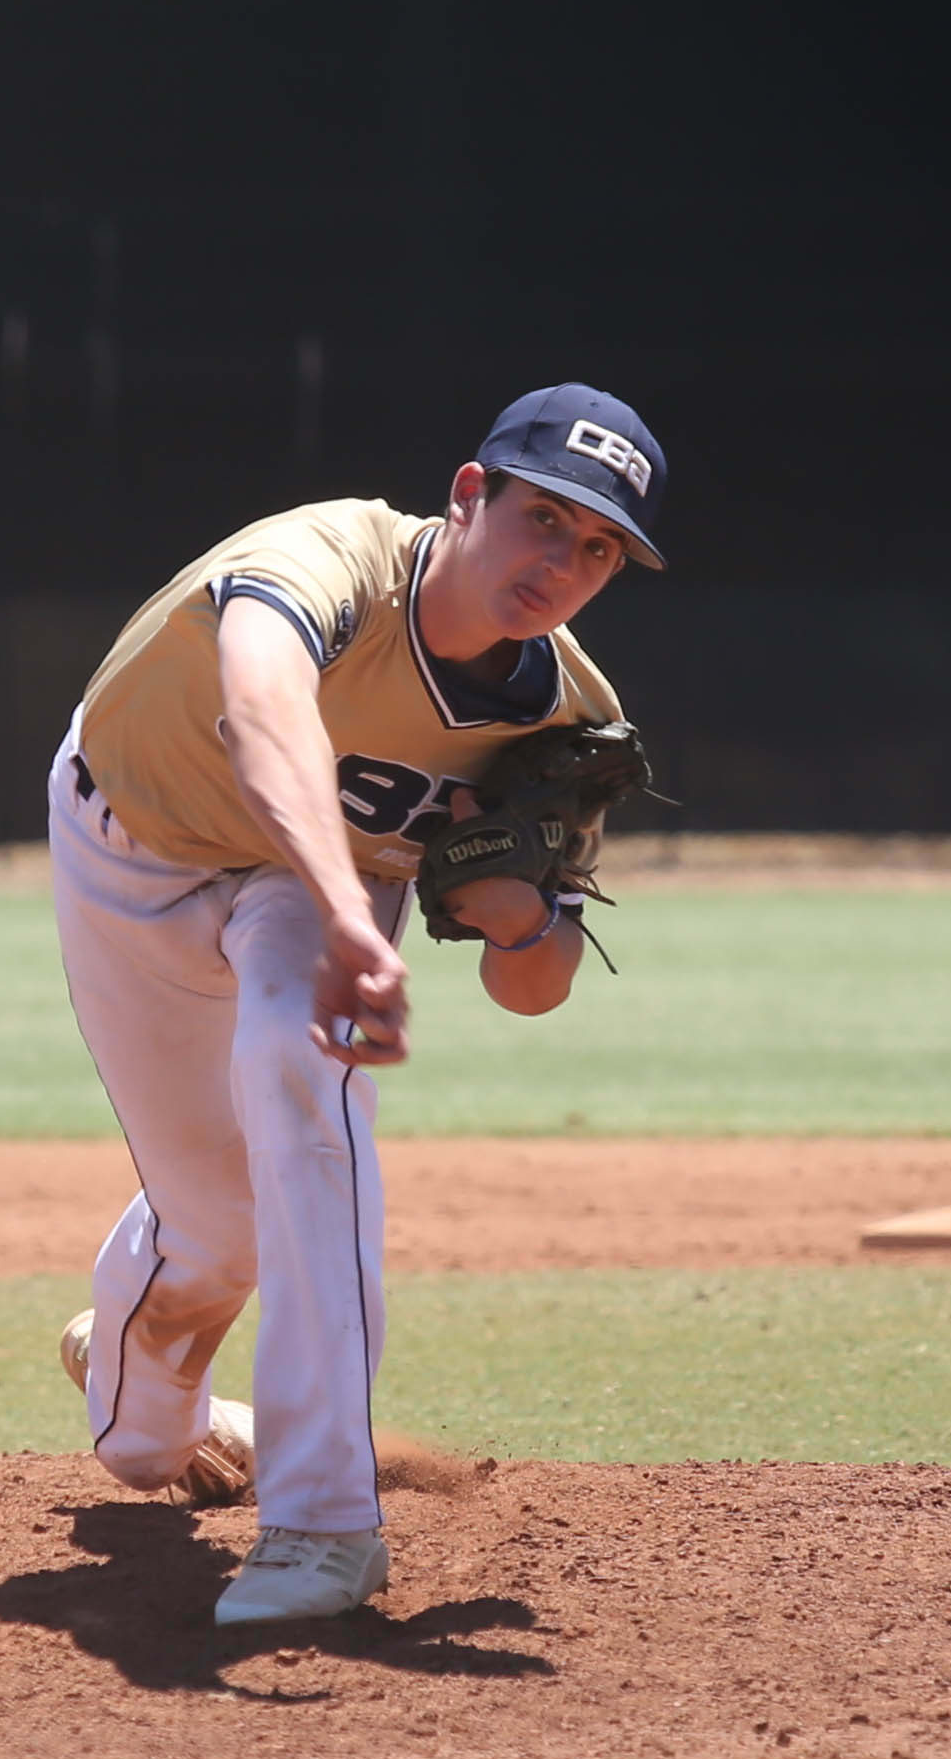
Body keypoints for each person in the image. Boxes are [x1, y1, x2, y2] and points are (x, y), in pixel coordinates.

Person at [47, 384, 665, 1625]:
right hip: (133, 844)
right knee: (208, 1258)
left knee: (298, 1069)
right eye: (543, 518)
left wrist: (519, 919)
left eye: (597, 547)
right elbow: (267, 713)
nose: (562, 562)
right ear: (469, 495)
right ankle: (153, 1372)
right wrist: (345, 909)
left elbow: (533, 988)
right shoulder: (326, 557)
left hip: (305, 891)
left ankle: (324, 1525)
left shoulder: (563, 714)